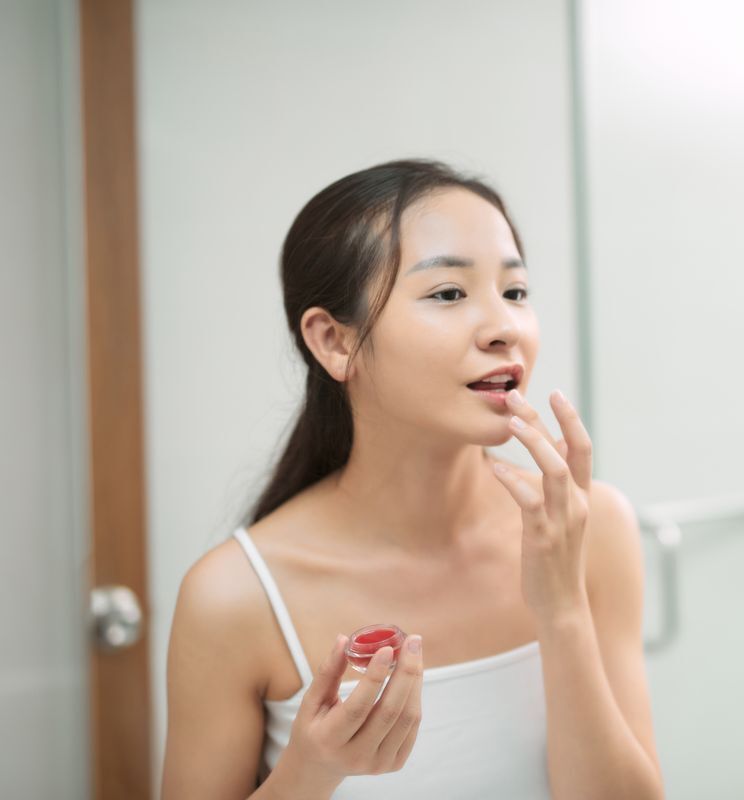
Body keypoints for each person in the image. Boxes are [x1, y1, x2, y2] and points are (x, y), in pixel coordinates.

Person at [160, 159, 664, 799]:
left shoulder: (590, 526)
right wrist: (310, 770)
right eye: (448, 293)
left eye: (515, 292)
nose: (505, 328)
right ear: (334, 342)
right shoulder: (232, 598)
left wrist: (562, 610)